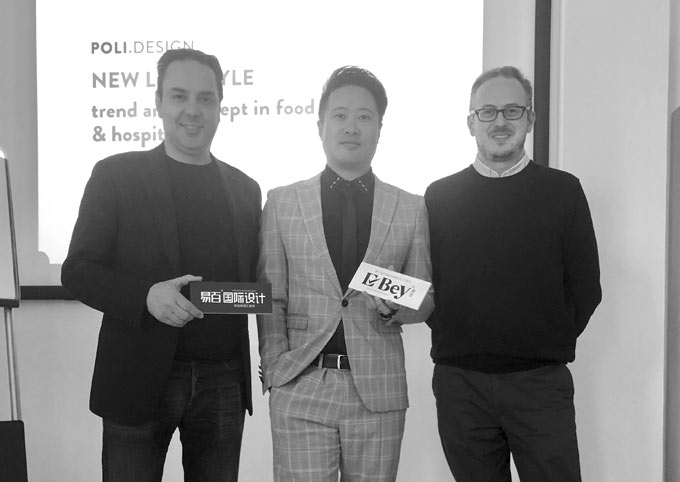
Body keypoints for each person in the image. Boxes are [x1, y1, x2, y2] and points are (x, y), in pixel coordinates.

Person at [61, 48, 261, 482]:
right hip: (138, 378)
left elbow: (256, 283)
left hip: (223, 380)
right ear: (158, 102)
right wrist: (146, 296)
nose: (193, 110)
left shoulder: (246, 189)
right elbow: (77, 270)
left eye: (206, 98)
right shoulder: (116, 175)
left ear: (220, 107)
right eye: (179, 96)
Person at [425, 65, 602, 482]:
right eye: (487, 112)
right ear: (471, 123)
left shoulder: (563, 191)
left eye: (512, 110)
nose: (500, 121)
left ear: (530, 118)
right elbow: (428, 282)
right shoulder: (439, 197)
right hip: (460, 384)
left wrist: (543, 340)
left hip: (539, 383)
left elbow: (586, 287)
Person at [257, 66, 434, 482]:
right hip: (301, 382)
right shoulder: (282, 202)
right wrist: (276, 366)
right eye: (339, 115)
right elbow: (271, 294)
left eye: (364, 116)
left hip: (378, 388)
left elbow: (424, 298)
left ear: (379, 128)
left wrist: (395, 308)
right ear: (320, 125)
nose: (351, 127)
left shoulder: (410, 207)